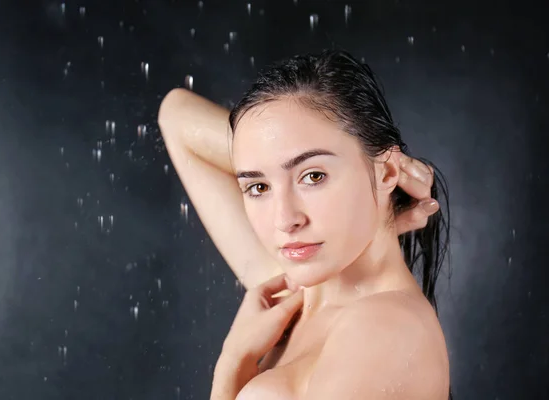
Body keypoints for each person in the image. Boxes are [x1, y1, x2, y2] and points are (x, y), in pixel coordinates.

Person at [158, 49, 451, 400]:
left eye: (313, 176)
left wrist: (234, 363)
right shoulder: (299, 292)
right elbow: (175, 115)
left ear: (387, 170)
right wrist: (373, 184)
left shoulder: (384, 329)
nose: (285, 220)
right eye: (258, 187)